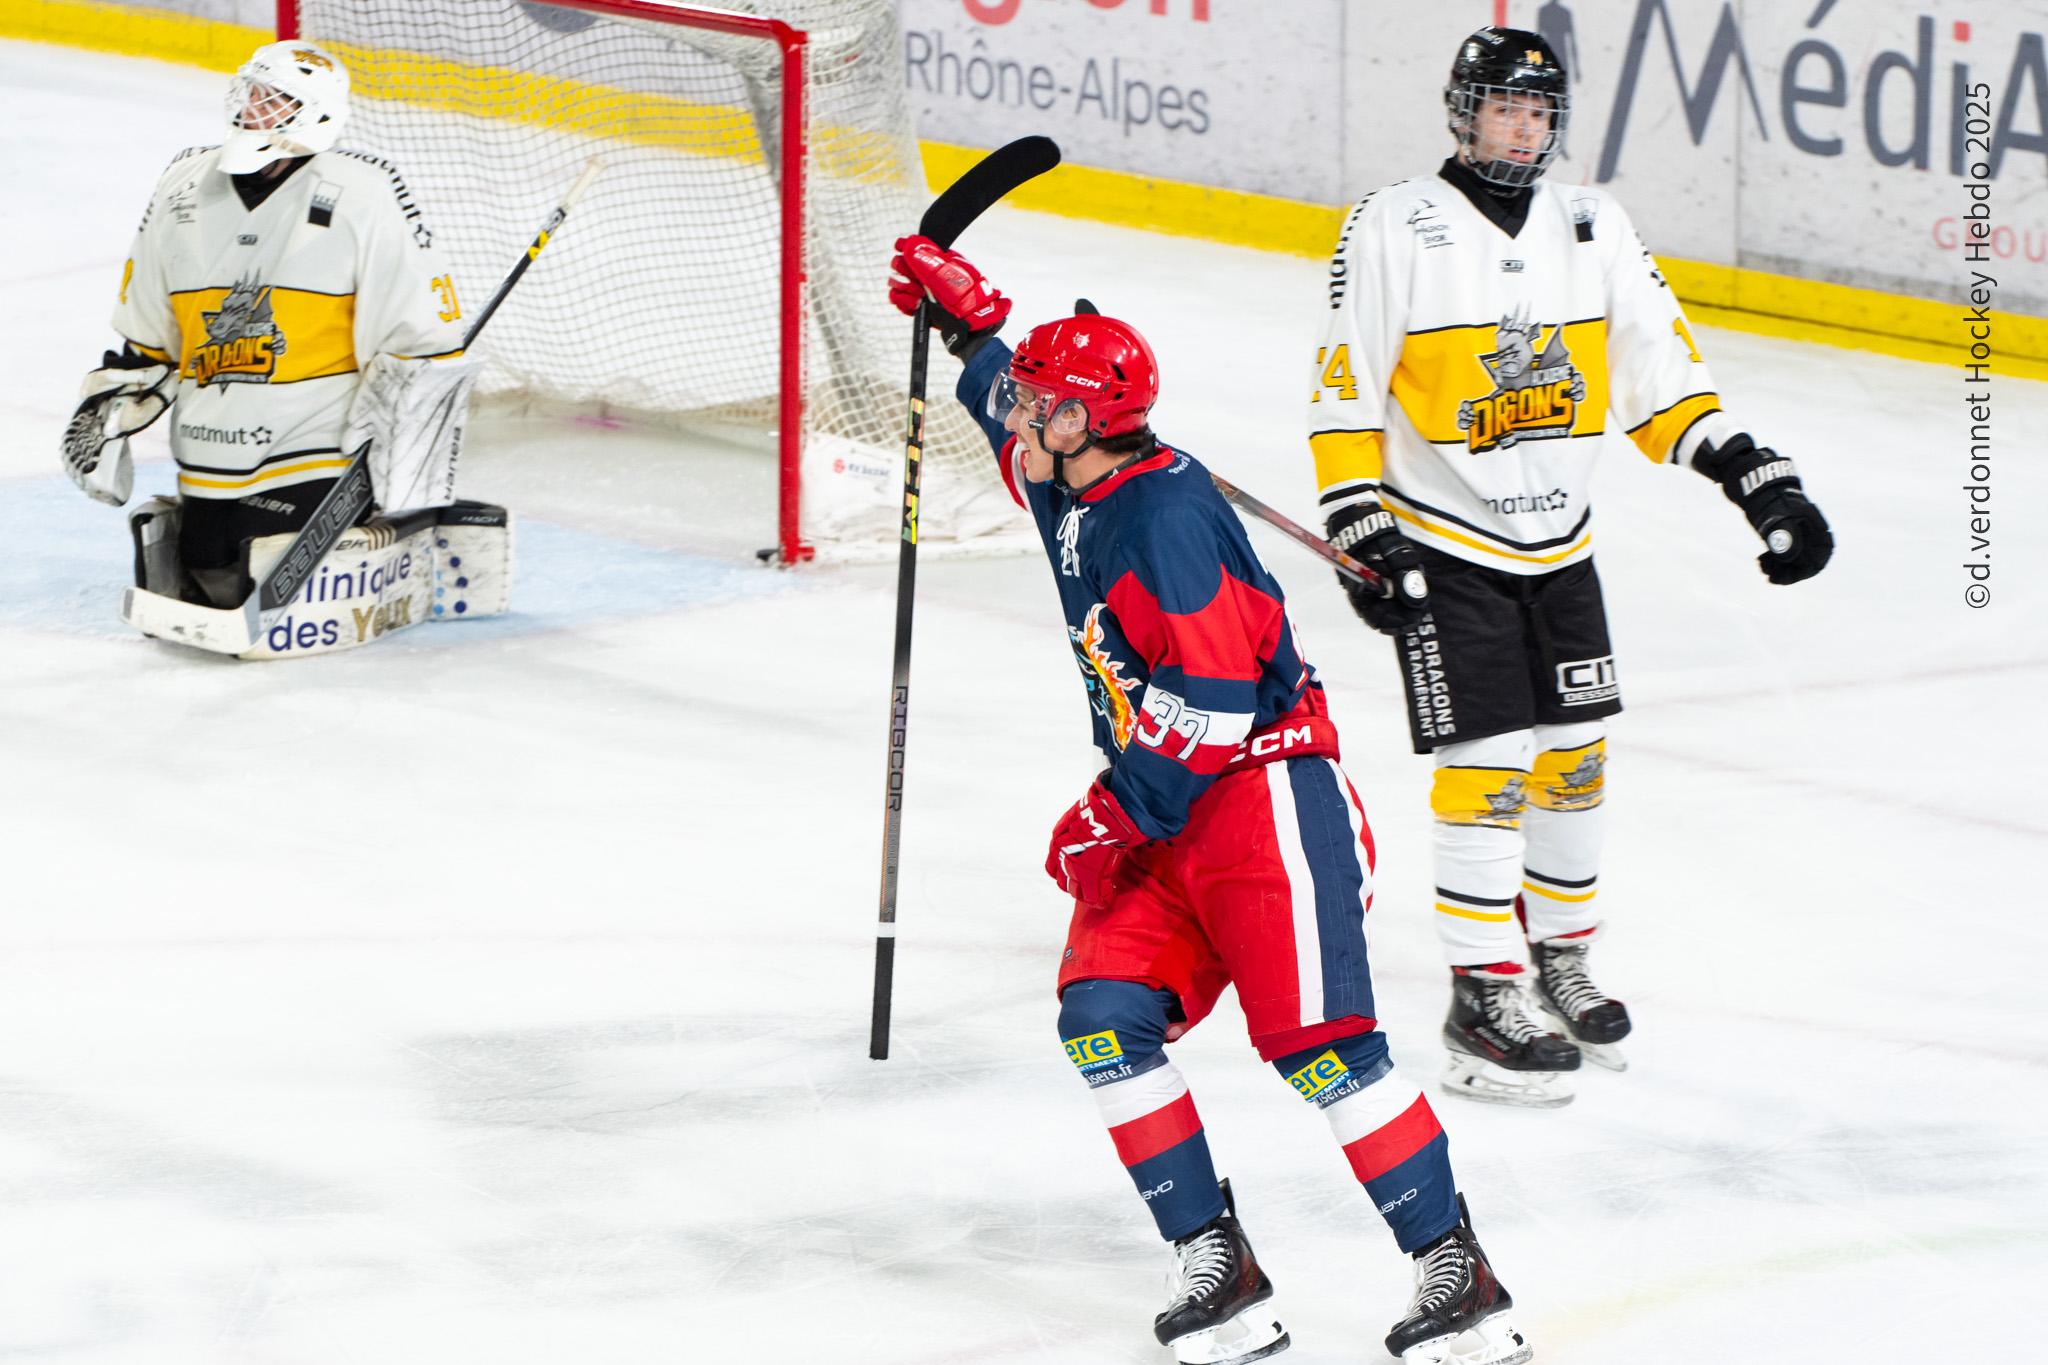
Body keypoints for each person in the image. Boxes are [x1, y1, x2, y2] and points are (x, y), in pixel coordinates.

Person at [890, 239, 1534, 1365]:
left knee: (1323, 1051)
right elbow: (1007, 419)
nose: (1021, 417)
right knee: (1100, 1022)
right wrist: (970, 324)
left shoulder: (1163, 525)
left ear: (1087, 425)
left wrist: (1115, 809)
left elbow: (1213, 705)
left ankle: (1456, 1274)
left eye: (1042, 405)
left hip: (1258, 796)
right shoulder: (1070, 480)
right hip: (1166, 801)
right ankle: (1218, 1267)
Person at [1304, 27, 1834, 1107]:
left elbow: (1656, 368)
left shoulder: (1592, 223)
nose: (1523, 127)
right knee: (1490, 764)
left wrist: (1755, 479)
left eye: (1539, 112)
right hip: (1444, 543)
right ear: (1462, 112)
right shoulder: (1393, 223)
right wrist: (1359, 521)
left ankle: (1558, 954)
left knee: (1576, 762)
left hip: (1560, 548)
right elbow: (1343, 379)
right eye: (1504, 108)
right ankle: (1480, 987)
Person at [61, 40, 474, 611]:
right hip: (211, 440)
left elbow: (421, 332)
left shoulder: (364, 192)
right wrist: (120, 392)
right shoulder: (184, 182)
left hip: (317, 439)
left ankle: (368, 529)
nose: (253, 105)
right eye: (251, 91)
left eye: (275, 98)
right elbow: (149, 314)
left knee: (262, 562)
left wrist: (407, 451)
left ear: (317, 114)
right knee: (208, 565)